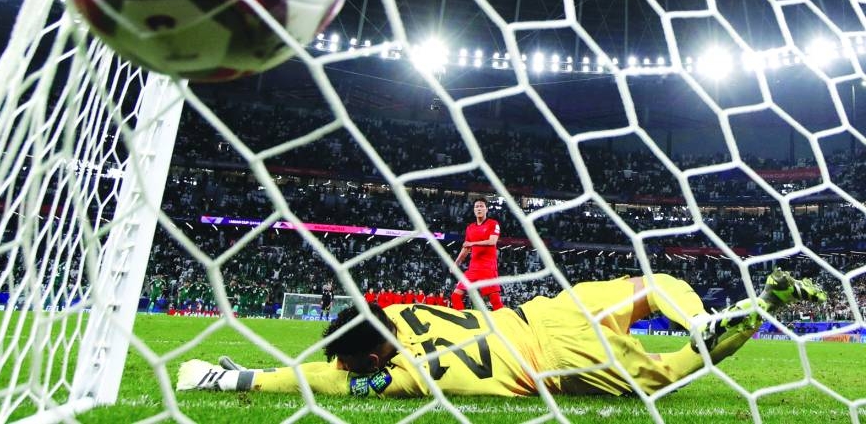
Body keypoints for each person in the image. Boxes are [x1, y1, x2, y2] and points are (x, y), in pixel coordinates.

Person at [178, 270, 826, 397]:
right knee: (651, 285)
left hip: (551, 357)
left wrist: (236, 376)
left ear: (366, 354)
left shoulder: (395, 373)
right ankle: (704, 315)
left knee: (664, 373)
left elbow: (317, 377)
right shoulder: (405, 309)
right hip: (547, 310)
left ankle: (705, 335)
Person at [451, 199, 502, 311]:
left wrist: (472, 243)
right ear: (474, 210)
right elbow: (466, 248)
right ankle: (464, 322)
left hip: (488, 268)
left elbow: (492, 241)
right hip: (473, 269)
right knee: (455, 296)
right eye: (476, 206)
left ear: (486, 209)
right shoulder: (470, 228)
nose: (479, 208)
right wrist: (456, 263)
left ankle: (505, 324)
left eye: (481, 206)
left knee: (495, 301)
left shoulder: (493, 224)